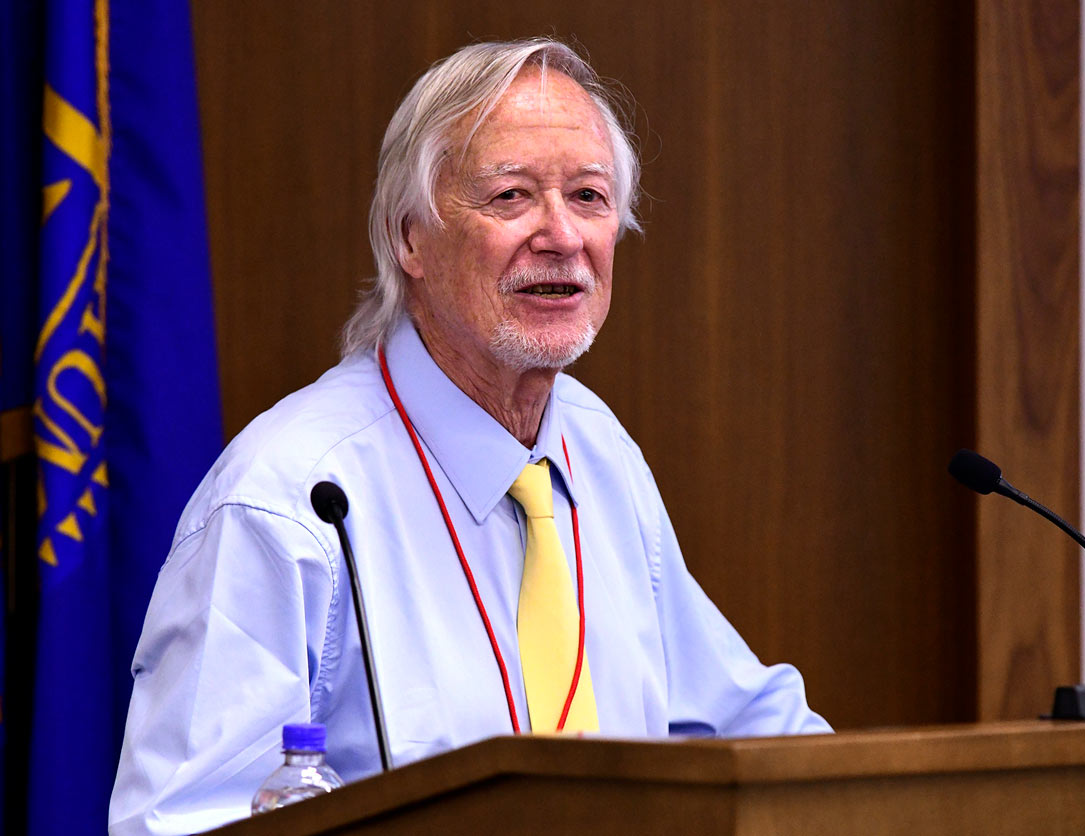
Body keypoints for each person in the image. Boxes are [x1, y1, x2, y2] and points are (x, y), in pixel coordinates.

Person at [108, 37, 830, 835]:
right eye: (512, 197)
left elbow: (743, 726)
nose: (562, 236)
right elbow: (178, 824)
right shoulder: (284, 500)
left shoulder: (596, 449)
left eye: (589, 198)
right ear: (409, 237)